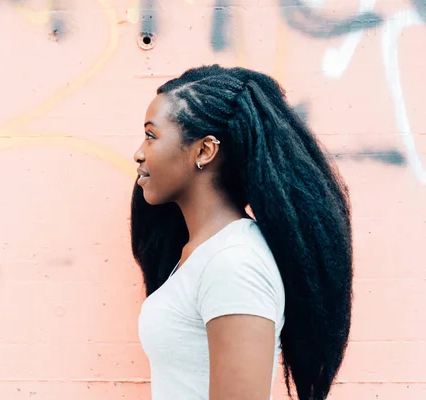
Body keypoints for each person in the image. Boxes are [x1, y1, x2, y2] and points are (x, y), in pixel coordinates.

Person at [130, 65, 353, 400]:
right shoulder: (205, 252)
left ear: (204, 151)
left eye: (151, 135)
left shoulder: (234, 263)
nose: (139, 153)